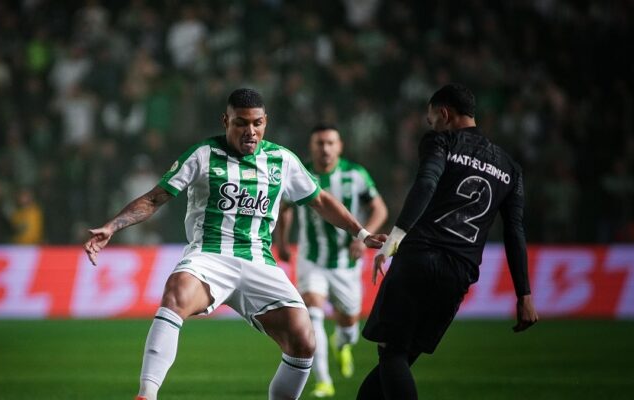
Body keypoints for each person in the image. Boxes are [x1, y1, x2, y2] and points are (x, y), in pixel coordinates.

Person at [84, 88, 386, 400]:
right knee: (175, 294)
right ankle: (146, 395)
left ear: (265, 122)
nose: (250, 131)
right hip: (210, 256)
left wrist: (360, 233)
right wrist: (112, 226)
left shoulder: (282, 160)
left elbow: (320, 200)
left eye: (256, 123)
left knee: (304, 339)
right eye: (241, 123)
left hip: (259, 261)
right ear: (225, 121)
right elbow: (154, 198)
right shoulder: (203, 154)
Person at [356, 84, 539, 400]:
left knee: (392, 352)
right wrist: (524, 294)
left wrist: (395, 238)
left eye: (431, 120)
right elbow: (515, 232)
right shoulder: (510, 168)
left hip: (420, 257)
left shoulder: (441, 140)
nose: (431, 126)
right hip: (459, 271)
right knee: (400, 357)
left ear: (444, 114)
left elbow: (426, 183)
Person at [275, 123, 388, 398]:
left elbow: (379, 209)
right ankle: (323, 380)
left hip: (346, 264)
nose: (324, 148)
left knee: (350, 327)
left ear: (339, 146)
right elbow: (285, 208)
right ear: (311, 147)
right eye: (319, 143)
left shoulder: (356, 175)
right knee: (312, 311)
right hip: (311, 260)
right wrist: (281, 240)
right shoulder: (301, 174)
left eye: (329, 143)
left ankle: (342, 342)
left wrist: (364, 237)